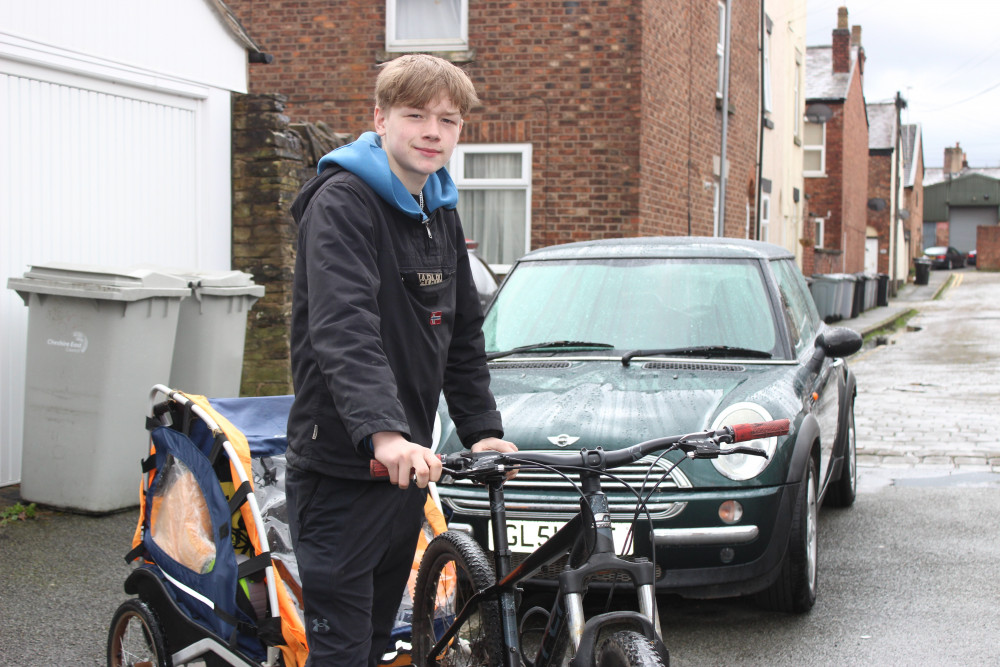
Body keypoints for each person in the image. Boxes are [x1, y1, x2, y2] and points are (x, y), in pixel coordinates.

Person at [285, 53, 517, 666]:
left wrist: (483, 431)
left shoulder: (438, 209)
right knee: (340, 649)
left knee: (375, 641)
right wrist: (384, 436)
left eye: (449, 119)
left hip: (406, 472)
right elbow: (344, 327)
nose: (433, 131)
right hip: (343, 467)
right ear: (381, 119)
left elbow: (461, 335)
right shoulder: (343, 202)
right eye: (415, 115)